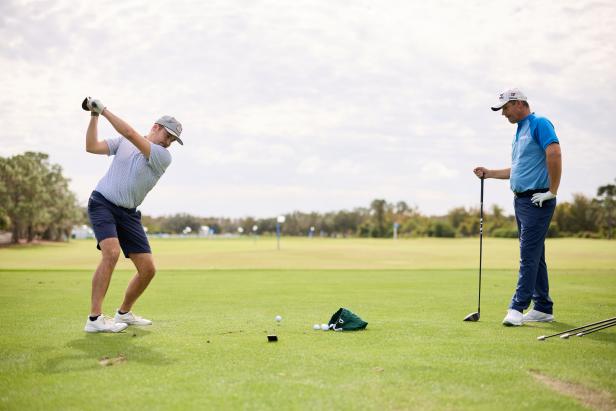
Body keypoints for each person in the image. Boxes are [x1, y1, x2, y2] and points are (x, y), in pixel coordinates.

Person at [82, 97, 183, 332]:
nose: (168, 142)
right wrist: (94, 116)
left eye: (172, 140)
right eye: (167, 136)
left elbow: (129, 133)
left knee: (148, 269)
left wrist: (103, 109)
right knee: (111, 253)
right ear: (156, 127)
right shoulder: (123, 144)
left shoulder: (163, 156)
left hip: (128, 214)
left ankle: (123, 313)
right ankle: (95, 319)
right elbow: (91, 146)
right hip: (103, 203)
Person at [473, 88, 562, 326]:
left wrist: (552, 191)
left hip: (538, 199)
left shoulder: (539, 123)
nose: (503, 114)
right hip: (521, 199)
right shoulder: (519, 131)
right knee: (536, 254)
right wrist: (490, 173)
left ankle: (517, 307)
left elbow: (554, 153)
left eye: (506, 108)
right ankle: (542, 307)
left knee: (527, 255)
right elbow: (520, 170)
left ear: (519, 103)